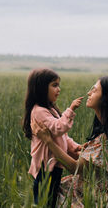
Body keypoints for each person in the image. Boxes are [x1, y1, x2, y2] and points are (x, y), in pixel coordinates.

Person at [32, 76, 108, 207]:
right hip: (102, 189)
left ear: (106, 99)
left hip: (103, 197)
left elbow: (76, 168)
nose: (89, 93)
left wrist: (48, 141)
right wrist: (74, 149)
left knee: (48, 194)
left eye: (94, 90)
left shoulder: (107, 138)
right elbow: (91, 166)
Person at [22, 68, 84, 207]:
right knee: (45, 202)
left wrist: (75, 146)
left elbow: (62, 136)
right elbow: (58, 128)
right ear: (41, 88)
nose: (59, 89)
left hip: (54, 167)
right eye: (54, 85)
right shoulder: (39, 111)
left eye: (58, 85)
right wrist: (71, 110)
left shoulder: (49, 109)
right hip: (46, 169)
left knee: (51, 201)